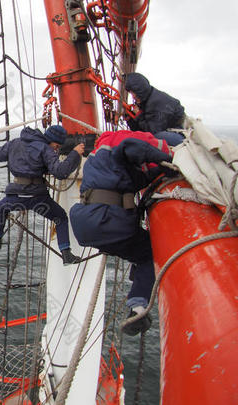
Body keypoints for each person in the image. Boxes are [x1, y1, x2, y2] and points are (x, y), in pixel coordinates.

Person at [69, 130, 173, 335]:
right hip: (108, 220)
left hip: (84, 224)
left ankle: (139, 272)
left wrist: (155, 172)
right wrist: (168, 160)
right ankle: (138, 306)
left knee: (134, 250)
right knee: (151, 255)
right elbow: (131, 147)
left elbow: (134, 179)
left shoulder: (95, 161)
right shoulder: (116, 148)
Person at [0, 125, 85, 265]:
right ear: (51, 141)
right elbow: (60, 172)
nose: (56, 149)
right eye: (56, 145)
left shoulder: (15, 143)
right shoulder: (45, 149)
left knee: (0, 207)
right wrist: (75, 154)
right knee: (60, 217)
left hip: (16, 196)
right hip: (37, 199)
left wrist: (12, 150)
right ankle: (66, 255)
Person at [124, 72, 186, 146]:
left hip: (179, 136)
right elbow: (142, 129)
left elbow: (152, 132)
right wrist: (130, 120)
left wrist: (138, 115)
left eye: (133, 93)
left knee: (155, 137)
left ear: (140, 91)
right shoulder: (146, 100)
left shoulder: (157, 103)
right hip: (167, 131)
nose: (133, 97)